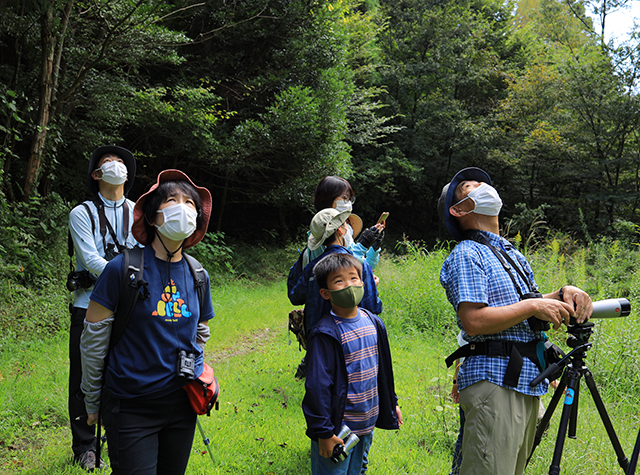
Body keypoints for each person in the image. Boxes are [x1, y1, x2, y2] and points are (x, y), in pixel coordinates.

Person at [438, 167, 593, 475]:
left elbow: (524, 311)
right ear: (459, 209)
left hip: (523, 380)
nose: (484, 187)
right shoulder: (467, 253)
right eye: (472, 186)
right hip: (493, 380)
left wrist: (562, 293)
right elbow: (473, 321)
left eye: (484, 183)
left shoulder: (510, 254)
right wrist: (533, 304)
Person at [80, 169, 215, 474]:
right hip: (131, 405)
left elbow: (201, 333)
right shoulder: (121, 270)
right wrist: (92, 401)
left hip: (182, 405)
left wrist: (197, 372)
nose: (183, 207)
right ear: (153, 217)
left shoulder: (198, 275)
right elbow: (93, 342)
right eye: (171, 200)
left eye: (190, 203)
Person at [67, 145, 137, 471]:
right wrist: (126, 280)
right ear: (96, 174)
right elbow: (90, 259)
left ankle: (119, 434)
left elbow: (144, 257)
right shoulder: (81, 213)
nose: (116, 166)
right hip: (88, 305)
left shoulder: (138, 213)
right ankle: (84, 445)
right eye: (109, 162)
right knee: (84, 375)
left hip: (129, 307)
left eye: (121, 162)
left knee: (122, 370)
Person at [302, 253, 402, 474]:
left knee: (358, 470)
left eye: (354, 278)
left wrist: (391, 402)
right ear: (325, 293)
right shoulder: (325, 333)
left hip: (366, 422)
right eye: (339, 280)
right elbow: (318, 388)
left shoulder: (374, 323)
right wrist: (324, 433)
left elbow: (383, 370)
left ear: (363, 282)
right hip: (338, 427)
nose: (349, 285)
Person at [290, 208, 382, 338]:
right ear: (341, 230)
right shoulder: (358, 264)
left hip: (317, 339)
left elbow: (295, 296)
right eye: (345, 225)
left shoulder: (312, 267)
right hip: (352, 339)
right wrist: (371, 285)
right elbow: (373, 308)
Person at [303, 176, 385, 270]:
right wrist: (363, 245)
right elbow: (337, 271)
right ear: (327, 199)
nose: (349, 203)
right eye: (345, 198)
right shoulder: (321, 233)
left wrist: (374, 249)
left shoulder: (346, 229)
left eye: (350, 199)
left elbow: (365, 267)